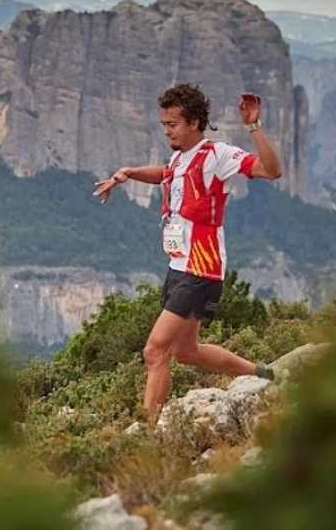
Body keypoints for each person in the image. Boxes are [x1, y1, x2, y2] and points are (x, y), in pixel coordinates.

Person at [93, 83, 284, 424]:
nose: (167, 131)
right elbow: (168, 174)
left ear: (195, 122)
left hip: (201, 269)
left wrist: (253, 126)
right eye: (164, 124)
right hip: (179, 267)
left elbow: (271, 170)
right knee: (186, 352)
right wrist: (129, 173)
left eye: (172, 124)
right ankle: (263, 374)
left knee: (154, 351)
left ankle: (146, 431)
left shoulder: (218, 156)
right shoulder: (180, 156)